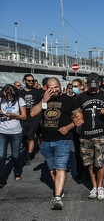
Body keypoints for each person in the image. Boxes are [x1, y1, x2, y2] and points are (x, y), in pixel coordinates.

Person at [30, 77, 82, 210]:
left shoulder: (69, 100)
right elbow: (32, 113)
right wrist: (43, 101)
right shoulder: (43, 99)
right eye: (51, 88)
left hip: (62, 140)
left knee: (60, 168)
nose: (54, 90)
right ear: (46, 88)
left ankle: (57, 197)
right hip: (46, 140)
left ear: (60, 86)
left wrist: (68, 127)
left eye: (56, 87)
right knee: (52, 169)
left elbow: (79, 118)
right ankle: (59, 189)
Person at [76, 73, 104, 201]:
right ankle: (94, 186)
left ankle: (100, 186)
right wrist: (76, 118)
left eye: (94, 85)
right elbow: (76, 112)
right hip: (85, 134)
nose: (92, 88)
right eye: (90, 86)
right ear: (87, 84)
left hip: (100, 134)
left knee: (101, 161)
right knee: (89, 162)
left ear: (99, 83)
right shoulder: (81, 96)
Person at [0, 85, 26, 188]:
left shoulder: (20, 100)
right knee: (1, 156)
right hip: (2, 131)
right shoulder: (1, 99)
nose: (7, 98)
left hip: (16, 132)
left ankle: (17, 171)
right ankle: (1, 179)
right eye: (6, 96)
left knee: (15, 155)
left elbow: (24, 116)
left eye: (9, 96)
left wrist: (14, 115)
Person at [19, 74, 44, 165]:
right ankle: (31, 149)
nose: (31, 82)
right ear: (24, 81)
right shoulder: (20, 93)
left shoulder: (37, 92)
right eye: (29, 81)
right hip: (23, 118)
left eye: (32, 81)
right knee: (22, 137)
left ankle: (28, 156)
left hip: (34, 119)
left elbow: (42, 103)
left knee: (31, 137)